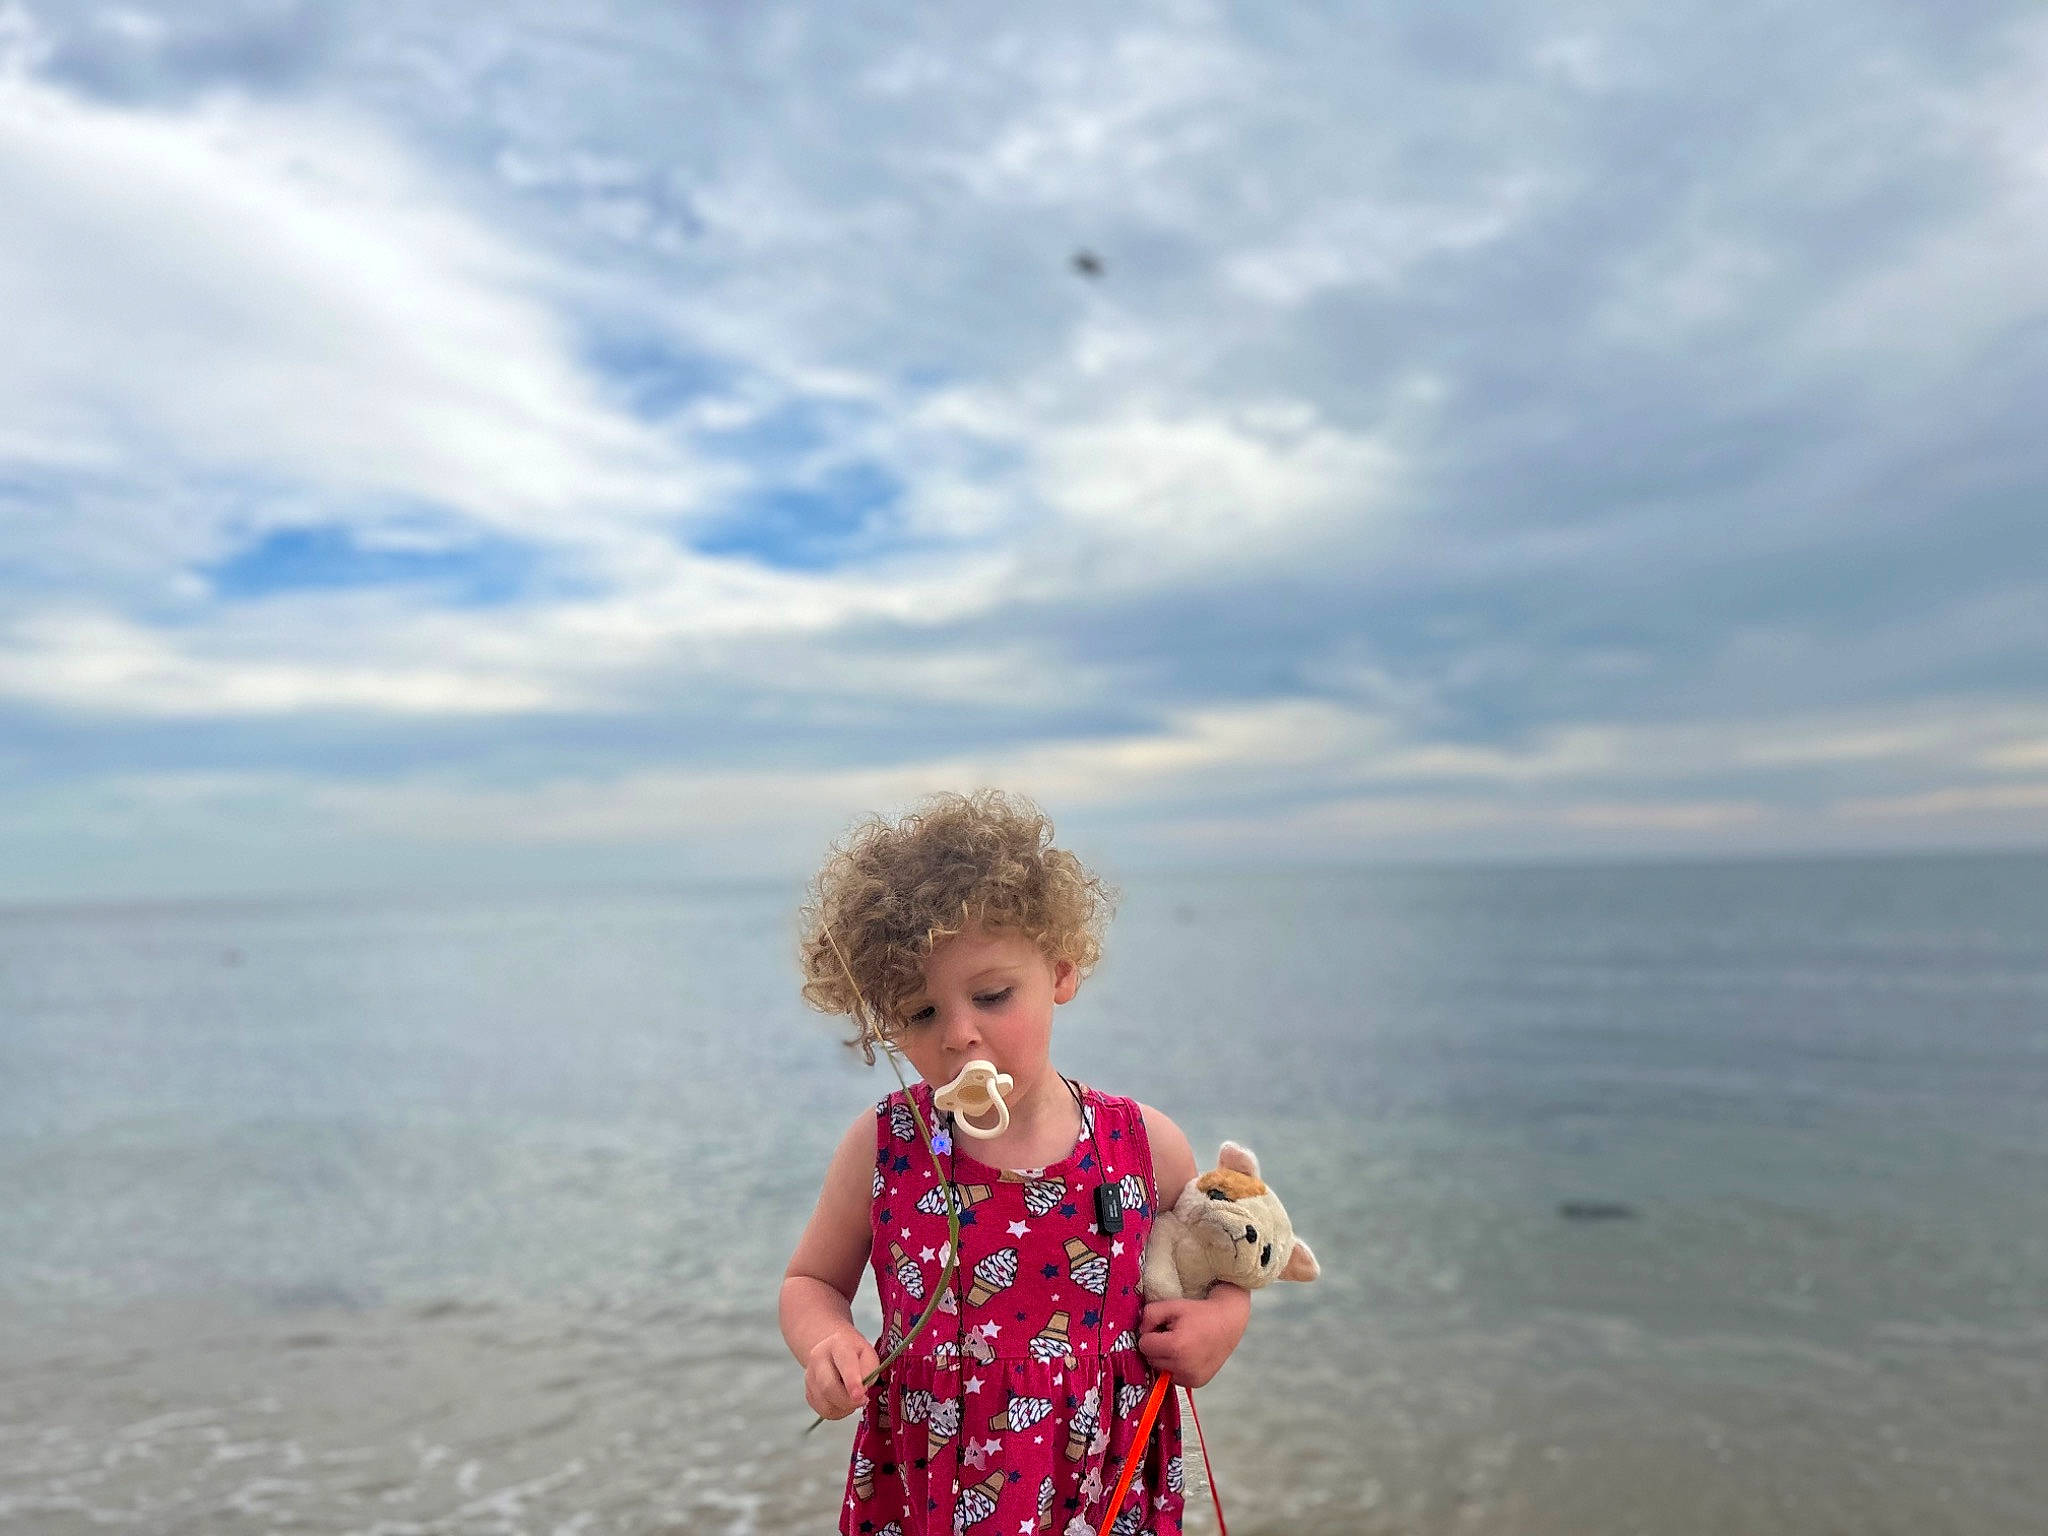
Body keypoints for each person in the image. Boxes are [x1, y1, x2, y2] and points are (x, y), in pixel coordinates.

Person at [780, 790, 1251, 1536]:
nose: (960, 1035)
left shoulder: (1140, 1144)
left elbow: (1225, 1261)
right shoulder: (886, 1147)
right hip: (933, 1488)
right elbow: (810, 1282)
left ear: (1060, 973)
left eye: (993, 996)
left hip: (1102, 1487)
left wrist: (1221, 1323)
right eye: (920, 1013)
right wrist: (827, 1344)